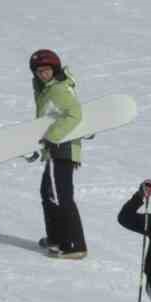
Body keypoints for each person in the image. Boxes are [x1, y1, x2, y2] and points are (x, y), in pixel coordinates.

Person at [28, 49, 89, 259]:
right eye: (39, 71)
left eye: (46, 70)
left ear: (54, 69)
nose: (42, 74)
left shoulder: (57, 90)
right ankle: (56, 237)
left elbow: (75, 114)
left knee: (59, 195)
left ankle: (73, 244)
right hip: (55, 147)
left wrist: (51, 137)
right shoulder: (47, 90)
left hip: (62, 147)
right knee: (48, 193)